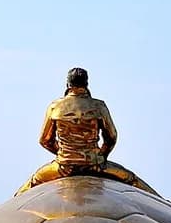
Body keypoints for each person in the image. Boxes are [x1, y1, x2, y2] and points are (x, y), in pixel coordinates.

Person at [18, 67, 157, 194]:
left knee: (33, 181)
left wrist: (65, 155)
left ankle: (14, 201)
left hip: (63, 166)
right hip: (95, 164)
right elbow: (111, 137)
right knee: (131, 179)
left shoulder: (55, 107)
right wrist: (99, 156)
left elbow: (44, 140)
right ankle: (164, 202)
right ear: (86, 83)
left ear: (68, 84)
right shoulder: (98, 106)